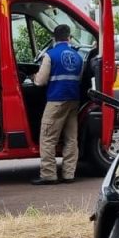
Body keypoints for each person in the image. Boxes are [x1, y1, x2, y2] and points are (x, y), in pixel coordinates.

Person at [32, 24, 83, 185]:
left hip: (56, 100)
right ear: (69, 38)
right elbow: (79, 78)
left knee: (47, 137)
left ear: (54, 38)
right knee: (71, 138)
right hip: (74, 99)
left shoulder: (50, 55)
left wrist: (34, 77)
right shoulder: (78, 56)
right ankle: (69, 174)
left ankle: (49, 175)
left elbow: (40, 81)